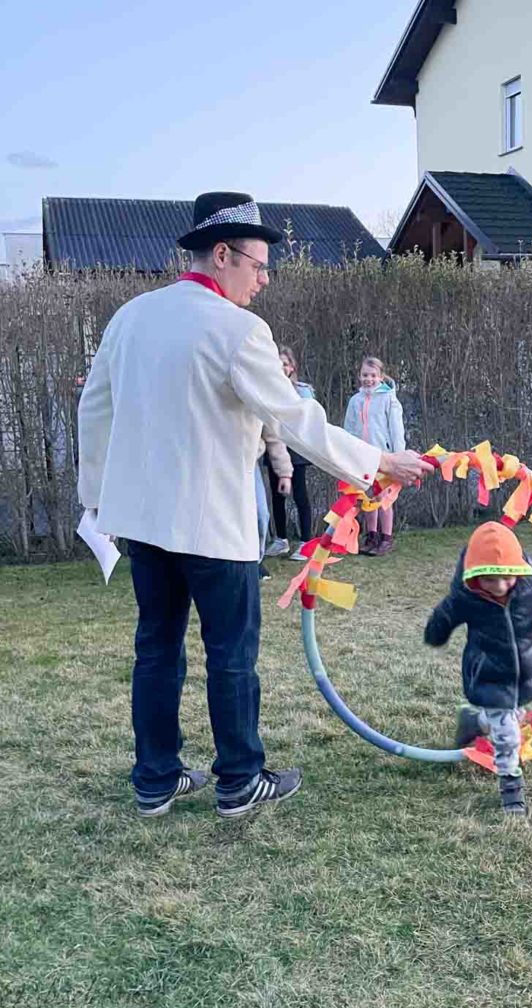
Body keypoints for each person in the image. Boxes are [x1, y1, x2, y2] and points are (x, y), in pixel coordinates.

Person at [77, 191, 432, 820]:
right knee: (231, 653)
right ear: (221, 254)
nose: (265, 281)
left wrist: (98, 499)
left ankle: (155, 779)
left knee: (156, 648)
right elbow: (296, 417)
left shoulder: (130, 316)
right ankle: (239, 778)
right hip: (212, 523)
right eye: (259, 265)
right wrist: (378, 462)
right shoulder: (239, 329)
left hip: (143, 525)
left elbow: (95, 409)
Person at [424, 521, 532, 817]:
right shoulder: (466, 594)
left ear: (518, 569)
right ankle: (511, 788)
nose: (499, 587)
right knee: (509, 734)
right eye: (489, 580)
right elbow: (445, 614)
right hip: (488, 672)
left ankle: (476, 721)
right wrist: (436, 633)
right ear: (474, 576)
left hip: (526, 670)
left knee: (512, 715)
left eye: (506, 578)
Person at [343, 356, 405, 556]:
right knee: (367, 496)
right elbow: (349, 429)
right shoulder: (355, 401)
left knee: (384, 497)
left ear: (380, 377)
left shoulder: (389, 399)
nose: (368, 379)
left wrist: (398, 456)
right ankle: (371, 536)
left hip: (384, 455)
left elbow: (396, 429)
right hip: (363, 456)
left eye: (372, 375)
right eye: (364, 375)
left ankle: (386, 537)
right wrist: (349, 453)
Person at [263, 347, 315, 561]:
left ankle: (306, 542)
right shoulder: (265, 389)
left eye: (285, 363)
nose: (281, 368)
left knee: (300, 495)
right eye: (277, 363)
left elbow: (310, 419)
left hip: (297, 449)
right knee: (277, 496)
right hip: (275, 445)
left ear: (292, 367)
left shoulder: (302, 391)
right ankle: (281, 539)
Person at [255, 426, 293, 580]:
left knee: (261, 516)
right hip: (216, 466)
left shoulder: (257, 402)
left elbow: (272, 435)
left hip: (248, 465)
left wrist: (284, 473)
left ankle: (255, 561)